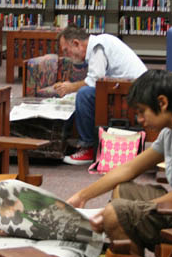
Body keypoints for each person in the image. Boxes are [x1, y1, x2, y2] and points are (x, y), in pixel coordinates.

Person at [67, 70, 172, 257]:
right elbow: (129, 168)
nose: (140, 120)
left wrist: (108, 212)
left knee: (114, 214)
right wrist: (82, 196)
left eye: (142, 112)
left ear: (162, 103)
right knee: (122, 191)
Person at [55, 27, 147, 165]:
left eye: (66, 50)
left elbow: (94, 82)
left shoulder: (97, 48)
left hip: (130, 91)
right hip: (129, 87)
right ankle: (78, 143)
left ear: (76, 43)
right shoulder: (102, 41)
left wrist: (70, 87)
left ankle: (88, 147)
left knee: (84, 95)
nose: (67, 56)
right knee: (81, 94)